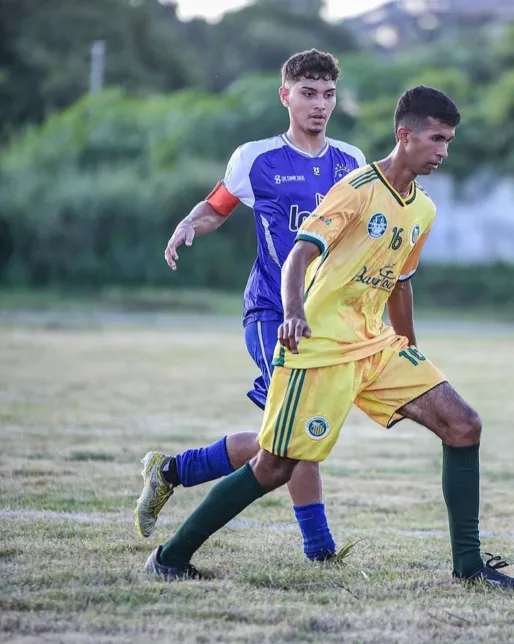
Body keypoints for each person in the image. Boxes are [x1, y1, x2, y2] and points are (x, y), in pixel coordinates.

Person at [143, 85, 514, 592]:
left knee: (463, 425)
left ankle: (470, 568)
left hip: (376, 346)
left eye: (450, 141)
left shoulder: (423, 210)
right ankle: (171, 557)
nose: (444, 151)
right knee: (275, 466)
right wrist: (291, 314)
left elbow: (400, 281)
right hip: (319, 348)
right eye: (437, 139)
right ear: (405, 135)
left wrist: (409, 345)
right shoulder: (356, 187)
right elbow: (299, 255)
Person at [134, 49, 366, 563]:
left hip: (325, 321)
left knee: (284, 437)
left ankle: (172, 471)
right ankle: (320, 550)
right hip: (269, 313)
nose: (319, 105)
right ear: (285, 95)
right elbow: (217, 207)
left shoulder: (352, 163)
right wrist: (189, 224)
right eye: (308, 93)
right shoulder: (256, 158)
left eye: (328, 95)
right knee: (298, 430)